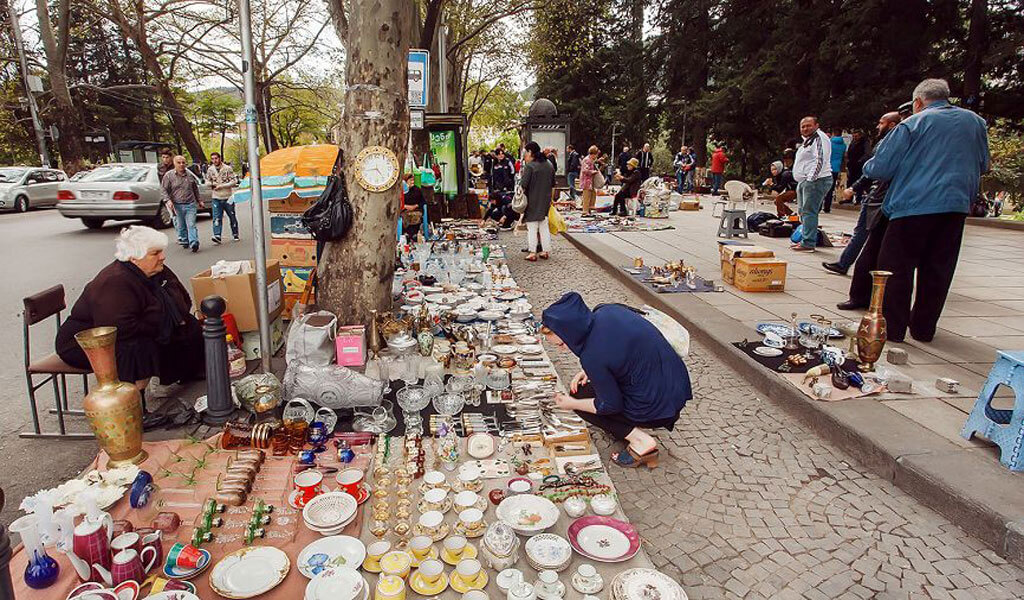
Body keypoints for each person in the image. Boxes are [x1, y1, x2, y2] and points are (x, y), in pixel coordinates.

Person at [862, 78, 989, 342]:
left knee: (896, 267)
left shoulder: (913, 123)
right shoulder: (975, 122)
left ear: (918, 102)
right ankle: (923, 328)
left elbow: (880, 167)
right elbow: (984, 163)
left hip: (913, 205)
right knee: (938, 268)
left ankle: (893, 329)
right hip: (955, 206)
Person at [543, 292, 692, 469]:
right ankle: (630, 429)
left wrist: (571, 404)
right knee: (589, 390)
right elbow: (621, 350)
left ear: (569, 332)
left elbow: (610, 405)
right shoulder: (606, 311)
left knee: (580, 396)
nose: (562, 350)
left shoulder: (592, 357)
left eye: (561, 344)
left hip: (656, 406)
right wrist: (590, 372)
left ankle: (641, 442)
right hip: (676, 385)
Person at [55, 226, 204, 390]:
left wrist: (172, 320)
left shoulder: (157, 270)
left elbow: (183, 299)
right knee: (138, 348)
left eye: (161, 251)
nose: (163, 257)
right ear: (134, 258)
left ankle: (185, 373)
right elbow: (119, 328)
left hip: (133, 329)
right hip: (85, 343)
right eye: (155, 253)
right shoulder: (115, 281)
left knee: (188, 324)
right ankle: (133, 402)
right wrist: (160, 324)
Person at [822, 112, 901, 277]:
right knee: (874, 235)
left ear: (892, 125)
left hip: (879, 194)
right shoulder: (897, 143)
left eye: (881, 123)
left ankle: (846, 265)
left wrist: (854, 187)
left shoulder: (889, 143)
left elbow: (874, 170)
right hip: (885, 194)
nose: (878, 126)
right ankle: (849, 265)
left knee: (865, 233)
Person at [791, 116, 833, 253]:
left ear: (816, 125)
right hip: (805, 181)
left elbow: (820, 159)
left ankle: (808, 243)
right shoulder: (808, 141)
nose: (805, 128)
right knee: (803, 211)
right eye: (802, 126)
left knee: (809, 211)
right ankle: (805, 238)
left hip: (816, 181)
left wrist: (811, 179)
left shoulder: (819, 138)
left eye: (808, 125)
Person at [519, 142, 555, 261]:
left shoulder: (530, 166)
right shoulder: (549, 164)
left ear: (530, 152)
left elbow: (524, 184)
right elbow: (553, 184)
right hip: (545, 200)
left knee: (532, 227)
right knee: (544, 226)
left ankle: (532, 252)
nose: (525, 155)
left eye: (526, 152)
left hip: (532, 200)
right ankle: (545, 251)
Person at [162, 155, 204, 252]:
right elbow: (164, 189)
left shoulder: (189, 175)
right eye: (179, 162)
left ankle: (194, 242)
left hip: (190, 203)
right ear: (174, 163)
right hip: (177, 204)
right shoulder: (169, 175)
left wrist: (199, 200)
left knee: (191, 224)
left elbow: (195, 189)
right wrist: (168, 200)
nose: (181, 165)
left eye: (183, 162)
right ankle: (185, 240)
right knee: (181, 224)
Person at [206, 152, 239, 244]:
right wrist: (212, 184)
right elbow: (207, 181)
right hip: (216, 197)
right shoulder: (210, 169)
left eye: (216, 158)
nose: (214, 160)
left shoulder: (227, 168)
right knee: (216, 217)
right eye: (212, 159)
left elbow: (234, 181)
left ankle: (235, 233)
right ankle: (217, 235)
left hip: (227, 196)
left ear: (220, 158)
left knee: (232, 216)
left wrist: (223, 186)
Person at [824, 128, 847, 213]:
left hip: (827, 167)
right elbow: (844, 157)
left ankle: (818, 206)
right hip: (836, 168)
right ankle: (827, 207)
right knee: (831, 188)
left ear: (833, 133)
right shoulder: (843, 145)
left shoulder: (829, 143)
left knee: (822, 188)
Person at [844, 131, 869, 204]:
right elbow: (849, 152)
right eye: (853, 136)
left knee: (859, 182)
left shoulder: (864, 143)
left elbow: (867, 153)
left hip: (859, 165)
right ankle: (849, 198)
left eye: (856, 136)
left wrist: (860, 161)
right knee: (850, 181)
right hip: (852, 165)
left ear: (860, 136)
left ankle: (858, 198)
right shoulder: (853, 142)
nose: (855, 138)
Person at [401, 173, 425, 240]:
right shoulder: (402, 191)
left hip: (416, 209)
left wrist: (415, 206)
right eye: (410, 180)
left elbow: (423, 201)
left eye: (413, 180)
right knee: (405, 217)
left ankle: (414, 234)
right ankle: (407, 234)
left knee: (416, 216)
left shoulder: (417, 190)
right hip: (405, 210)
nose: (412, 182)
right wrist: (405, 206)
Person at [579, 145, 601, 215]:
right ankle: (585, 211)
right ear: (593, 154)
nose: (596, 156)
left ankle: (589, 210)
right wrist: (592, 172)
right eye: (596, 155)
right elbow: (585, 170)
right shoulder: (587, 160)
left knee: (591, 195)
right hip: (586, 181)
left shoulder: (590, 159)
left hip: (589, 181)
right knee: (586, 196)